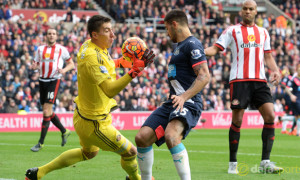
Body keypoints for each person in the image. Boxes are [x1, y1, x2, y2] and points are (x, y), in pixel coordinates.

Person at [25, 15, 155, 180]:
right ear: (95, 34)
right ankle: (137, 178)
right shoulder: (93, 57)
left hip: (82, 115)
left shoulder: (90, 46)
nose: (113, 35)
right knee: (130, 152)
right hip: (95, 123)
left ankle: (38, 173)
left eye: (112, 30)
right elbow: (108, 90)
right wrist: (134, 72)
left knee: (88, 153)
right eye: (107, 31)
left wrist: (124, 62)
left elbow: (106, 63)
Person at [204, 0, 283, 174]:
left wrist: (275, 70)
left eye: (251, 9)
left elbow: (268, 56)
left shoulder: (263, 32)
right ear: (241, 11)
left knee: (270, 115)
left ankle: (265, 162)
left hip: (260, 81)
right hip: (239, 80)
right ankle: (233, 163)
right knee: (237, 121)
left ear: (256, 12)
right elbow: (216, 49)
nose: (247, 11)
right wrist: (200, 51)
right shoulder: (232, 31)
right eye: (245, 9)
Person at [135, 9, 210, 180]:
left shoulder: (192, 44)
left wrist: (184, 97)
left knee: (171, 135)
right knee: (142, 138)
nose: (167, 33)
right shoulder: (180, 47)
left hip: (188, 102)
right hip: (173, 102)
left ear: (174, 24)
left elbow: (205, 76)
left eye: (167, 28)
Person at [30, 28, 75, 152]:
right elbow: (36, 64)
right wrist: (34, 66)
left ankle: (40, 143)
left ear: (56, 36)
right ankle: (64, 131)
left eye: (54, 34)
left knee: (45, 111)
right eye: (49, 33)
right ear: (46, 36)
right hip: (42, 81)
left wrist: (63, 70)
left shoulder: (61, 49)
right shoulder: (40, 49)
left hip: (53, 81)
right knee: (48, 111)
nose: (51, 35)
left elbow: (71, 64)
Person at [285, 64, 300, 136]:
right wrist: (291, 95)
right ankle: (297, 131)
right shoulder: (293, 79)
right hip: (296, 100)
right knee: (298, 115)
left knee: (297, 116)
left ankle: (296, 131)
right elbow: (287, 88)